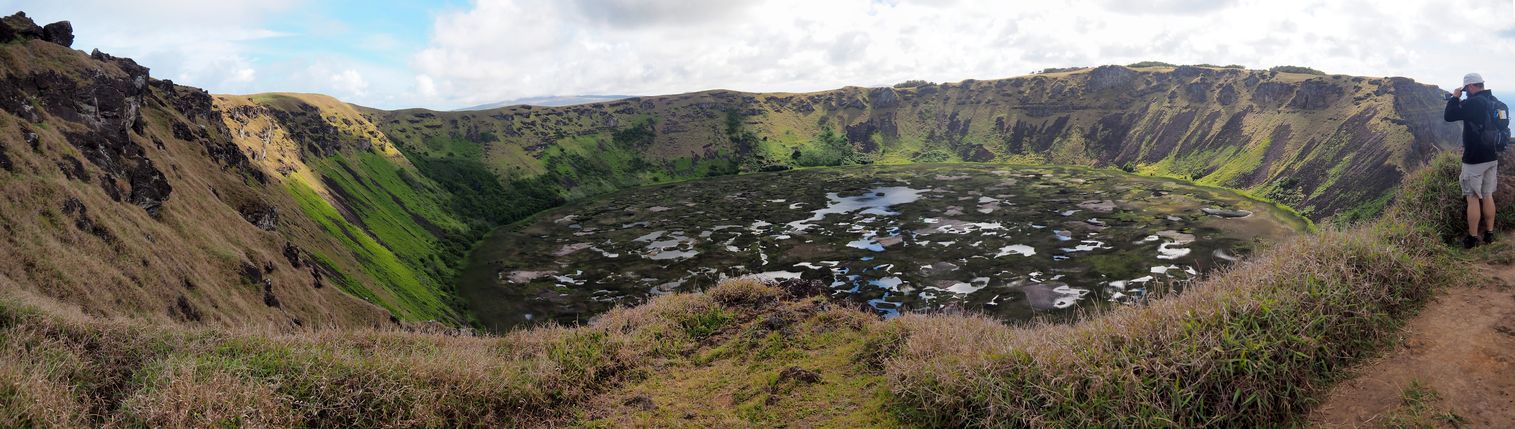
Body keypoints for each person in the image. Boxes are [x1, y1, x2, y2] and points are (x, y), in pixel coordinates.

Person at [1444, 72, 1504, 248]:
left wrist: (1455, 97)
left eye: (1466, 89)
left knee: (1472, 197)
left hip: (1474, 159)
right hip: (1492, 157)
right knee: (1487, 195)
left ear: (1470, 87)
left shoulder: (1473, 102)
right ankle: (1490, 234)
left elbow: (1449, 115)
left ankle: (1472, 237)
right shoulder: (1493, 100)